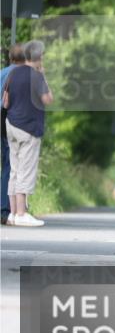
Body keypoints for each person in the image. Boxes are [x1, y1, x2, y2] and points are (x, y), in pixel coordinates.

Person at [2, 40, 52, 227]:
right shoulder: (36, 76)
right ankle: (22, 213)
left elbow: (5, 102)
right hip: (28, 127)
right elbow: (48, 99)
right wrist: (43, 76)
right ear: (38, 58)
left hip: (11, 125)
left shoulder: (13, 73)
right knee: (26, 170)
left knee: (14, 169)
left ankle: (14, 213)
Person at [1, 43, 26, 225]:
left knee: (8, 164)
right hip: (11, 121)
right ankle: (6, 209)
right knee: (11, 166)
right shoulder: (22, 76)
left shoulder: (2, 72)